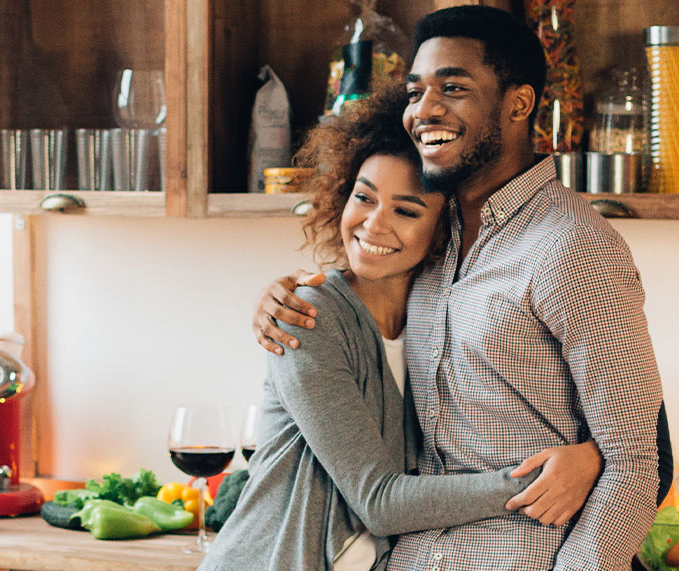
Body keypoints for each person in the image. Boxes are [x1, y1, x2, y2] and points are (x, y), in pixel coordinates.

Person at [252, 6, 669, 570]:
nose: (424, 110)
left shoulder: (572, 248)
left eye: (453, 87)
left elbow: (635, 463)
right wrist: (284, 295)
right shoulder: (433, 242)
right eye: (416, 91)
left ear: (518, 103)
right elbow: (361, 274)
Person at [205, 87, 603, 571]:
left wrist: (592, 457)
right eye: (364, 197)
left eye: (406, 210)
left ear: (444, 227)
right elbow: (380, 501)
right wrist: (546, 480)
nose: (373, 224)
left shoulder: (439, 317)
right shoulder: (309, 316)